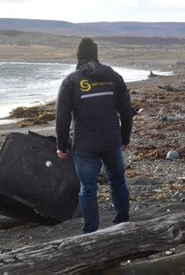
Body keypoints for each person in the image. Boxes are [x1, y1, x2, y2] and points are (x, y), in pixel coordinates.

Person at [56, 37, 133, 233]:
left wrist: (61, 145)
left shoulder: (70, 82)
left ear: (77, 57)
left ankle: (91, 231)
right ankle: (122, 223)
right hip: (111, 141)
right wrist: (125, 138)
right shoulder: (113, 77)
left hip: (85, 145)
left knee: (88, 189)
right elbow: (126, 111)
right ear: (97, 55)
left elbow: (62, 117)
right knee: (117, 182)